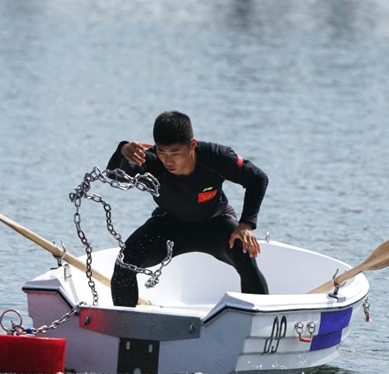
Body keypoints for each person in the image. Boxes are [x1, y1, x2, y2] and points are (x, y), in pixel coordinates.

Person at [105, 111, 270, 307]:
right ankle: (125, 330)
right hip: (169, 225)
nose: (168, 161)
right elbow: (115, 176)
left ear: (192, 145)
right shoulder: (152, 162)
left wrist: (246, 225)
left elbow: (258, 179)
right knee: (125, 262)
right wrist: (122, 151)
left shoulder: (216, 157)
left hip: (215, 223)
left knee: (245, 256)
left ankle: (259, 324)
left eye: (175, 153)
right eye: (162, 152)